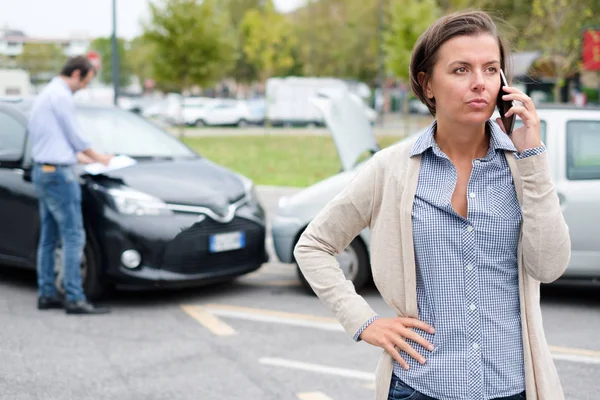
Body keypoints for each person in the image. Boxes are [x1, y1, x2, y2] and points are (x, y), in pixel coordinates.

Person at [294, 10, 570, 400]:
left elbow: (549, 266)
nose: (479, 83)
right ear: (427, 85)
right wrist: (363, 321)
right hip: (420, 386)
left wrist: (533, 158)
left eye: (491, 70)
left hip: (513, 388)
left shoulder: (523, 165)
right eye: (461, 70)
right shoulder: (391, 169)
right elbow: (313, 245)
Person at [29, 56, 113, 315]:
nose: (84, 88)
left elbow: (56, 143)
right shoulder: (62, 96)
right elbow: (75, 137)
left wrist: (86, 158)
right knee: (74, 236)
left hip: (43, 170)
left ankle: (46, 293)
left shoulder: (44, 95)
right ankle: (75, 297)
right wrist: (99, 158)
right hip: (59, 176)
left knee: (49, 238)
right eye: (86, 81)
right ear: (76, 73)